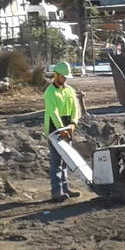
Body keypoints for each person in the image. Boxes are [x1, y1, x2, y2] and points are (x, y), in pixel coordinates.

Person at [43, 62, 82, 202]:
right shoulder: (50, 92)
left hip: (67, 129)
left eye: (66, 77)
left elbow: (75, 108)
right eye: (63, 77)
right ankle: (56, 191)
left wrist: (73, 123)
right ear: (56, 75)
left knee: (66, 160)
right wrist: (62, 129)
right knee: (56, 162)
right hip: (55, 131)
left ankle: (65, 189)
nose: (65, 79)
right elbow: (53, 113)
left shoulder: (69, 90)